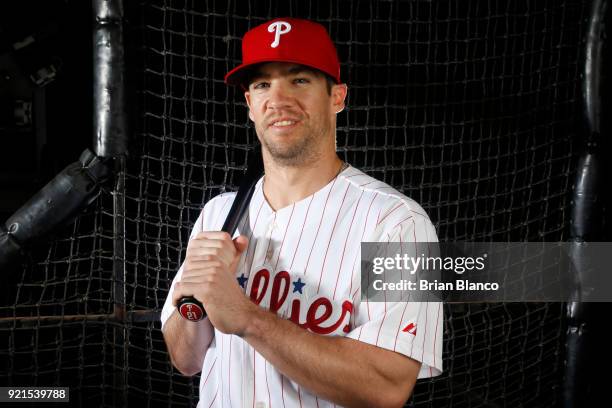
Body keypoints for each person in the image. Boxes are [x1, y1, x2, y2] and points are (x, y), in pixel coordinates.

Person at [161, 17, 443, 407]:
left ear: (337, 97)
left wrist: (247, 318)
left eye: (299, 80)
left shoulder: (398, 223)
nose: (277, 100)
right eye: (262, 84)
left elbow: (388, 387)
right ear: (250, 105)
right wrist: (194, 305)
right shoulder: (218, 214)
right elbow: (185, 359)